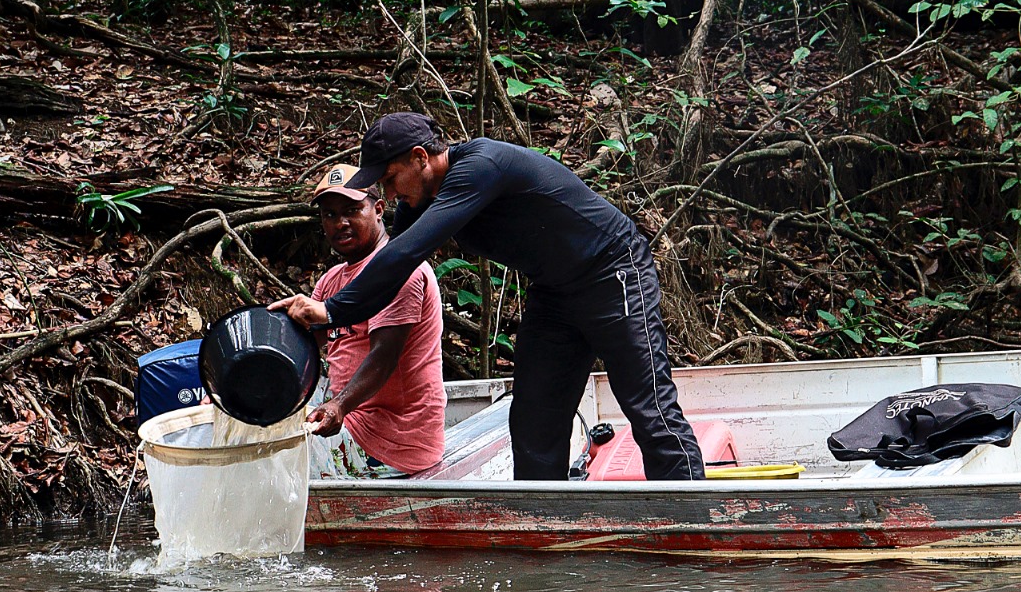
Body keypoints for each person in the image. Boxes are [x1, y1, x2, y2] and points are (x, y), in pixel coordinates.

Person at [271, 113, 705, 480]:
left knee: (648, 408)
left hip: (612, 270)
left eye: (389, 179)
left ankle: (698, 525)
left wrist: (332, 309)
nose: (388, 195)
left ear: (420, 158)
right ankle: (542, 544)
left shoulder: (481, 165)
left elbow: (403, 253)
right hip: (554, 293)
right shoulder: (419, 200)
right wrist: (322, 314)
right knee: (535, 422)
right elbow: (390, 265)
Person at [295, 163, 446, 478]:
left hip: (395, 444)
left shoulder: (401, 269)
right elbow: (304, 348)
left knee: (281, 459)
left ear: (378, 209)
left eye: (352, 210)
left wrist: (339, 406)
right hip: (350, 423)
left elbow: (384, 355)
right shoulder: (331, 280)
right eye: (330, 215)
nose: (341, 223)